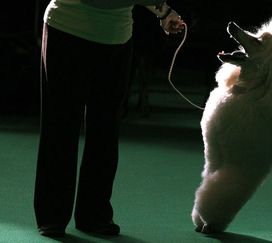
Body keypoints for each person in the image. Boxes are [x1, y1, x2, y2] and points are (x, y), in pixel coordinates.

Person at [34, 0, 184, 237]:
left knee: (105, 131)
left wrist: (164, 12)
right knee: (60, 126)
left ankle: (94, 216)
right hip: (66, 30)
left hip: (117, 37)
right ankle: (52, 216)